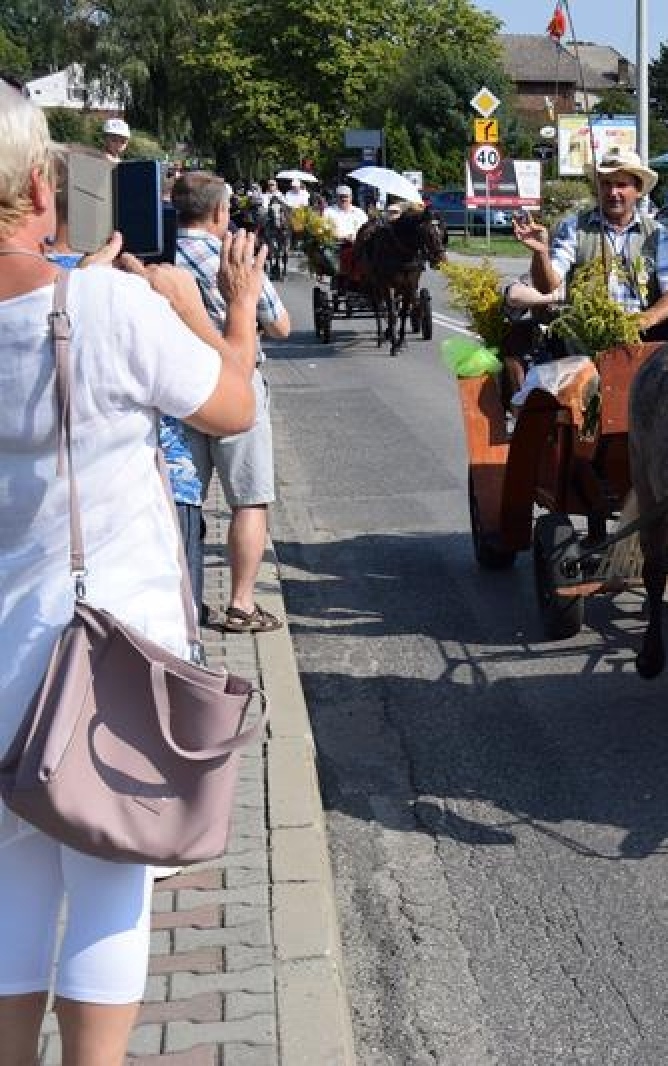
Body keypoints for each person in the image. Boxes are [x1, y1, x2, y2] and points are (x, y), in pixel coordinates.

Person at [1, 80, 265, 1066]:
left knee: (12, 896)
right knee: (108, 888)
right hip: (102, 665)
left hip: (0, 662)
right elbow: (231, 405)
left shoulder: (92, 298)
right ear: (41, 185)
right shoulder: (108, 308)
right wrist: (216, 307)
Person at [172, 171, 292, 634]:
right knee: (249, 498)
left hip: (177, 390)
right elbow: (281, 326)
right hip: (235, 386)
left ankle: (186, 597)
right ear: (220, 212)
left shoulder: (155, 255)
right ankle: (241, 604)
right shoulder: (233, 257)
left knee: (183, 499)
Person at [510, 147, 668, 341]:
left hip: (641, 333)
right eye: (606, 184)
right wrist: (541, 253)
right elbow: (548, 286)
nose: (612, 192)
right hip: (585, 333)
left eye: (621, 185)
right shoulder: (573, 226)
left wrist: (641, 321)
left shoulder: (658, 233)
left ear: (638, 191)